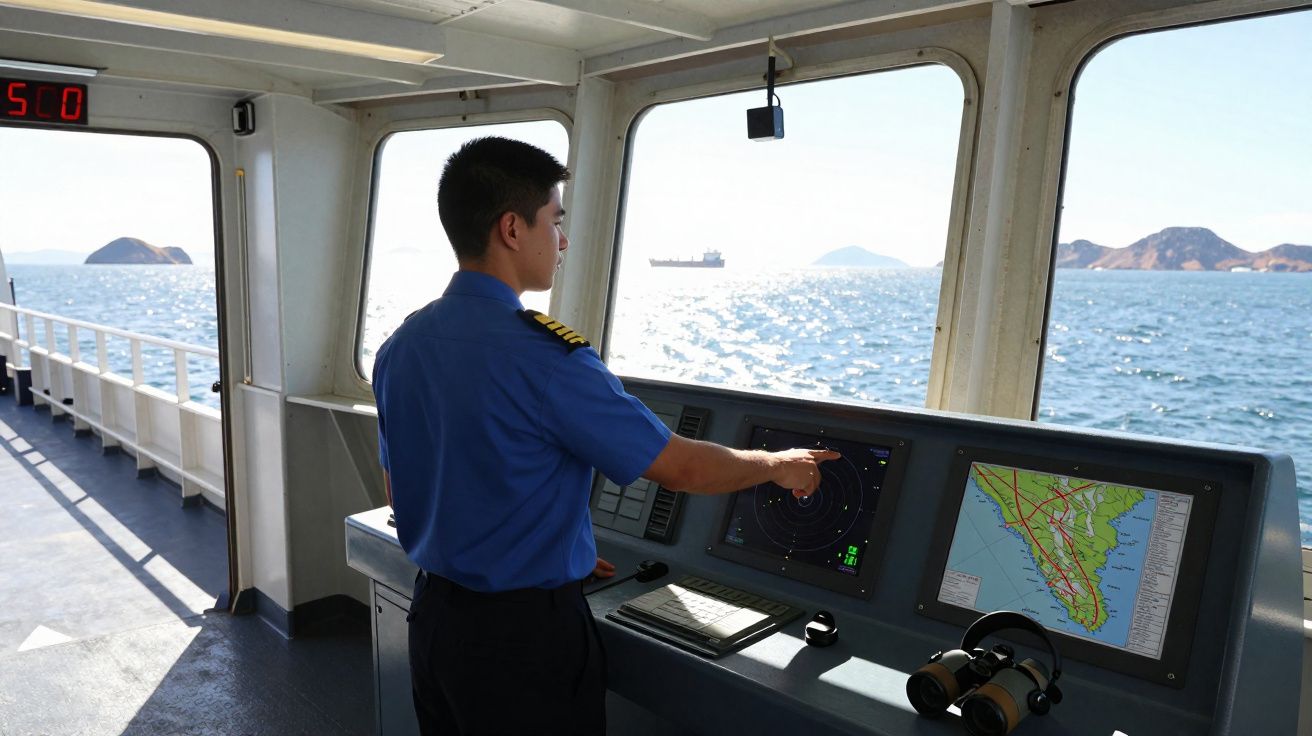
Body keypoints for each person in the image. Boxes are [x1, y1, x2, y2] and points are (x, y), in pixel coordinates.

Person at [372, 136, 839, 736]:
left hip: (435, 621)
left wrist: (550, 549)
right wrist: (777, 464)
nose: (562, 241)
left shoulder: (402, 346)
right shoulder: (548, 360)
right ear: (512, 229)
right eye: (555, 221)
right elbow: (684, 469)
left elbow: (401, 489)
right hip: (523, 644)